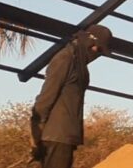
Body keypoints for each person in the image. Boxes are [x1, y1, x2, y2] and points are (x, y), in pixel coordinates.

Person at [30, 24, 112, 168]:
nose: (96, 53)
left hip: (64, 136)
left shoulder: (78, 64)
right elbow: (47, 95)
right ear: (90, 41)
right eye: (97, 48)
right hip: (56, 136)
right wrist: (36, 128)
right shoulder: (65, 58)